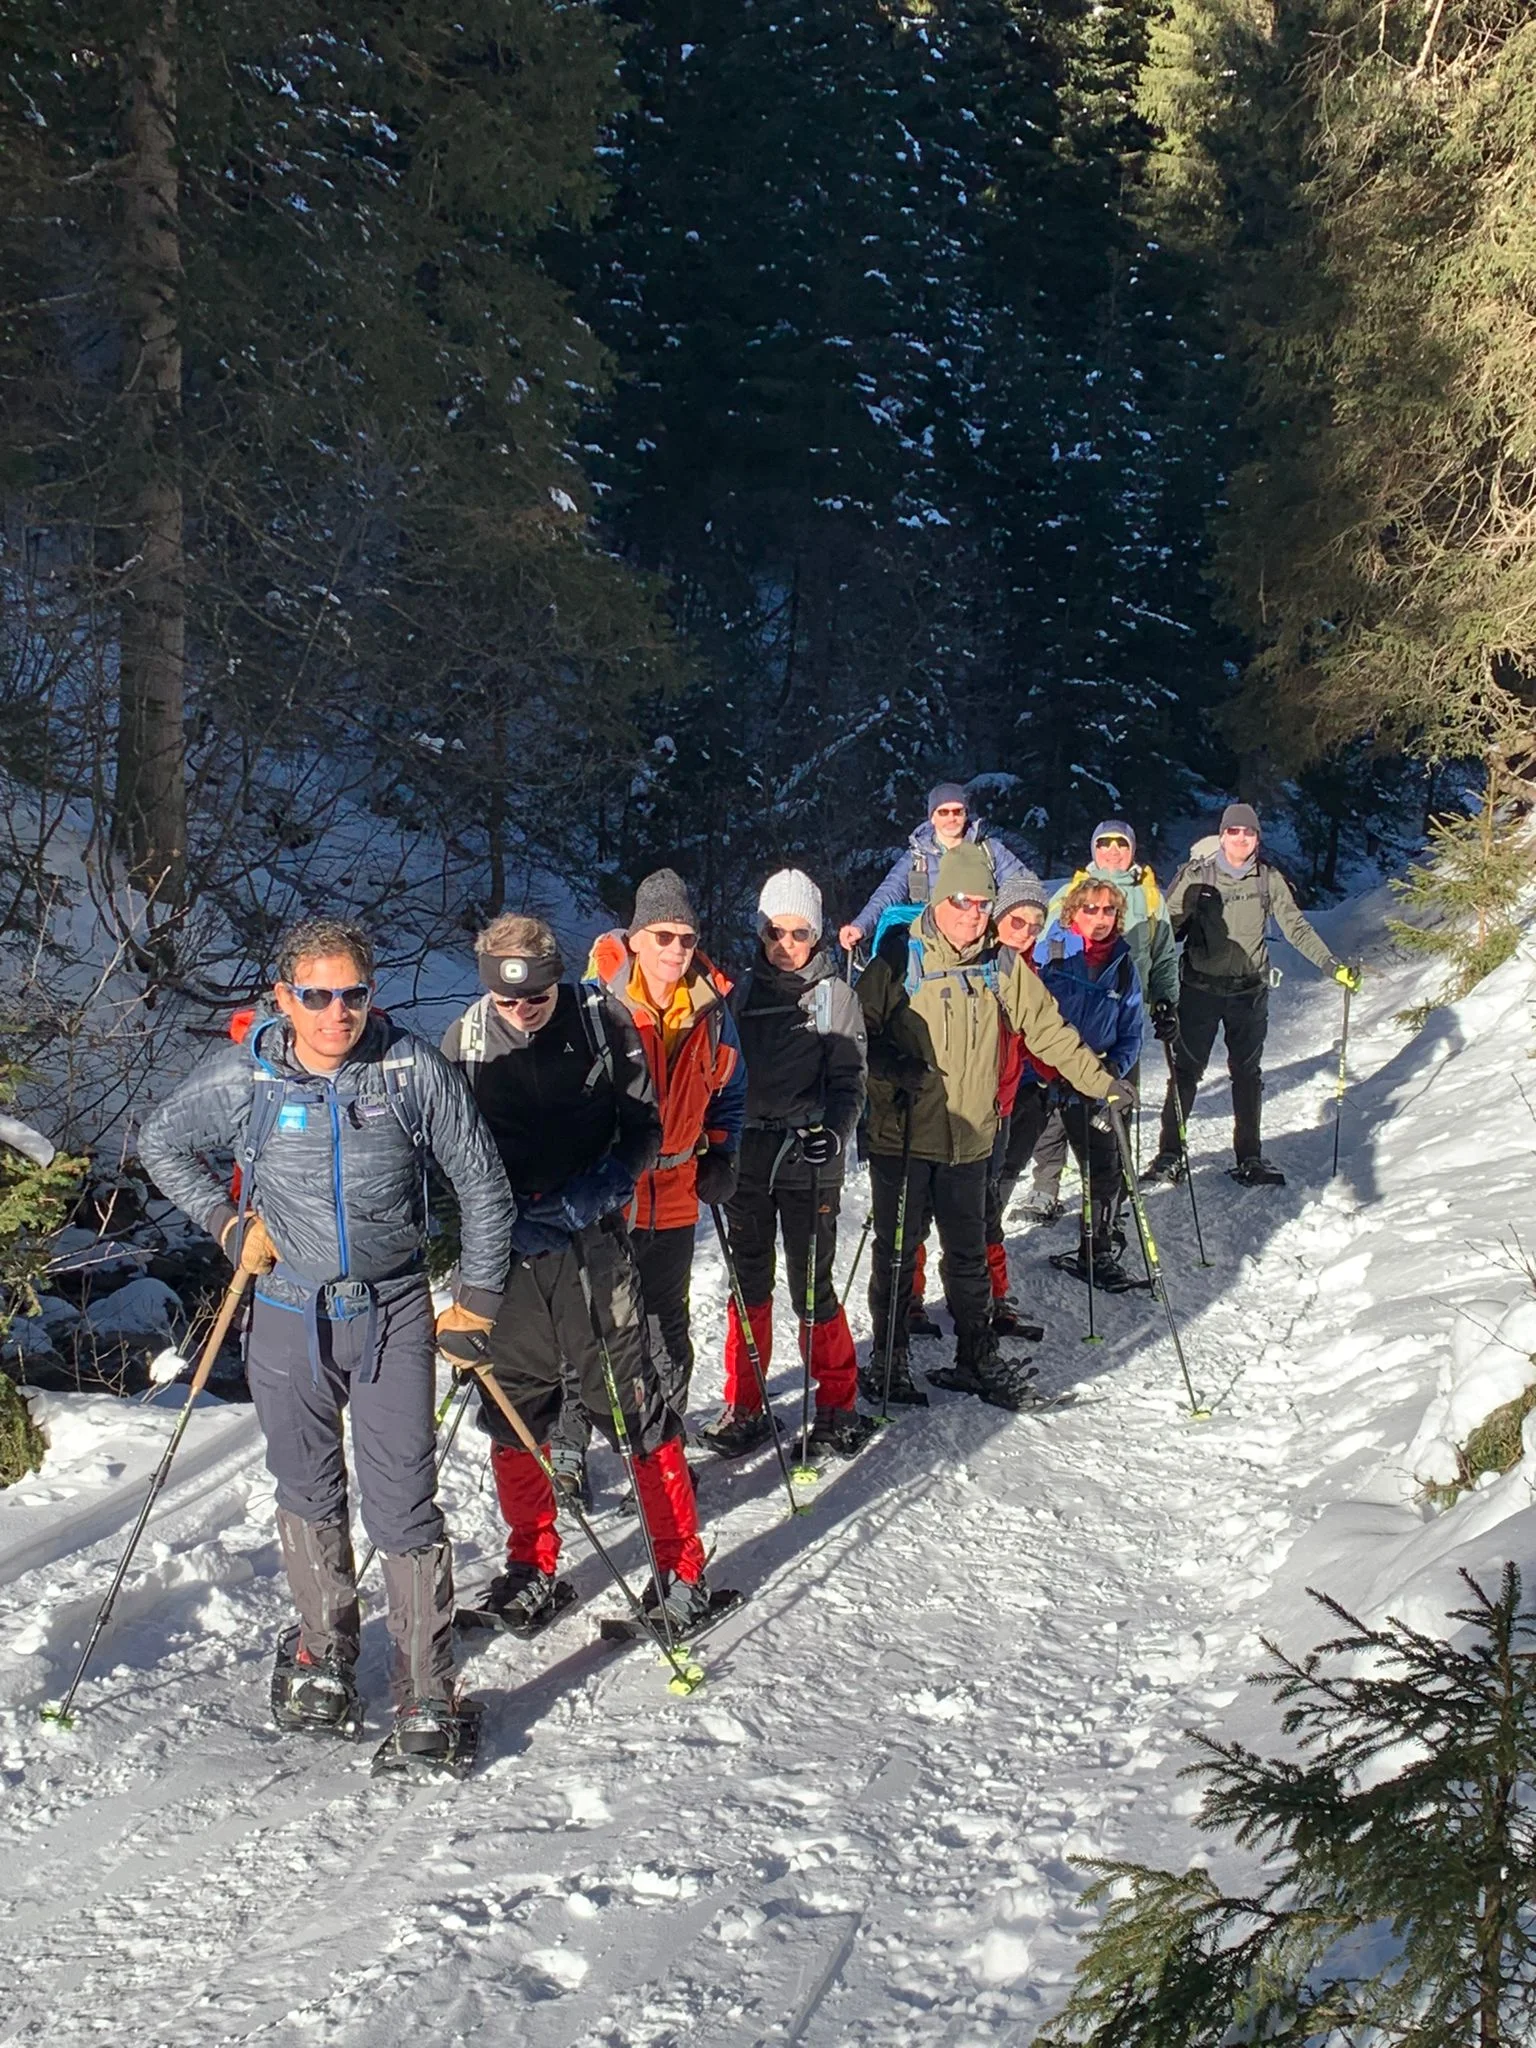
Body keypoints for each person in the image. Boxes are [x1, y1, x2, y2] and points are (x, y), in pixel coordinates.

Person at [140, 917, 515, 1771]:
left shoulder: (409, 1066)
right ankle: (324, 1654)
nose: (337, 1012)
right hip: (284, 1313)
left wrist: (479, 1300)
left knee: (403, 1503)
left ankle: (426, 1691)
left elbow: (482, 1183)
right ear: (285, 998)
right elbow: (161, 1140)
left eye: (352, 994)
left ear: (369, 996)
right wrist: (226, 1224)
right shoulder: (251, 1074)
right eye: (318, 995)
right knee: (306, 1488)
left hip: (391, 1312)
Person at [441, 913, 723, 1634]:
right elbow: (444, 1157)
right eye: (507, 1001)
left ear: (555, 979)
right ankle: (531, 1567)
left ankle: (681, 1568)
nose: (521, 1011)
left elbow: (643, 1128)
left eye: (534, 996)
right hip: (507, 1251)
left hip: (592, 1244)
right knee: (516, 1410)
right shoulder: (466, 1042)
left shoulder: (601, 1022)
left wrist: (599, 1190)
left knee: (627, 1402)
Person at [857, 843, 1132, 1409]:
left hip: (970, 1139)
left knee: (968, 1253)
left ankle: (976, 1357)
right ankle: (888, 1359)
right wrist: (888, 1066)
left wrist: (1100, 1081)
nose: (973, 914)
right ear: (939, 898)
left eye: (983, 903)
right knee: (897, 1250)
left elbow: (1049, 1031)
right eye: (962, 901)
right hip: (903, 1135)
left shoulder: (1001, 963)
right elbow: (854, 1037)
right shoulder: (897, 959)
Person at [701, 869, 869, 1460]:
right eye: (776, 932)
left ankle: (838, 1402)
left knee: (811, 1285)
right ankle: (745, 1404)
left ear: (818, 935)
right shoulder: (740, 994)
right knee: (748, 1283)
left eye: (799, 934)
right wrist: (713, 1140)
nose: (786, 945)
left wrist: (837, 1133)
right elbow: (718, 1072)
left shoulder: (834, 996)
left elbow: (850, 1081)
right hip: (749, 1155)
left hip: (807, 1155)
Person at [586, 869, 746, 1414]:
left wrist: (723, 1151)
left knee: (665, 1325)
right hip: (611, 1192)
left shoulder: (713, 1011)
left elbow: (731, 1088)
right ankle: (569, 1455)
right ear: (634, 938)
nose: (676, 949)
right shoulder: (597, 1008)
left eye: (687, 938)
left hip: (678, 1191)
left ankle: (664, 1442)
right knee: (594, 1323)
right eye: (663, 936)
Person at [1142, 803, 1360, 1189]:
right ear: (1222, 835)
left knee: (1246, 1075)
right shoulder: (1197, 876)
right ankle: (1170, 1155)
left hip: (1249, 993)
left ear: (1257, 838)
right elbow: (1164, 930)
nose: (1241, 839)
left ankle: (1250, 1156)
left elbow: (1295, 926)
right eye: (1233, 832)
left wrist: (1330, 965)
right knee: (1186, 1074)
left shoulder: (1267, 880)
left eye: (1249, 833)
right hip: (1199, 991)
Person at [905, 869, 1053, 1339]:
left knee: (985, 1208)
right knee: (927, 1209)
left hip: (1001, 1107)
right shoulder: (983, 963)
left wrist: (1064, 1076)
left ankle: (991, 1295)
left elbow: (1041, 1040)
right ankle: (911, 1297)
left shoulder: (1026, 972)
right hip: (951, 1110)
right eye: (1016, 921)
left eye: (1034, 926)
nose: (1025, 932)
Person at [1028, 820, 1177, 1219]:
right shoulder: (1068, 896)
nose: (1113, 850)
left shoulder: (1149, 896)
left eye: (1121, 843)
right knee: (1055, 1119)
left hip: (1119, 1014)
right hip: (1063, 1040)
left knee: (1113, 1115)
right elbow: (1040, 954)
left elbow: (1164, 954)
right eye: (1104, 843)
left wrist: (1166, 999)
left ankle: (1114, 1191)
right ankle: (1045, 1187)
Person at [1032, 879, 1146, 1289]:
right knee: (1007, 1164)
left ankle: (1095, 1251)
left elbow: (1132, 1031)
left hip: (1096, 1076)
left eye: (1109, 911)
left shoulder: (1123, 965)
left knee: (1104, 1165)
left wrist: (1114, 1068)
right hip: (1042, 1075)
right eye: (1090, 910)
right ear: (1072, 912)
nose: (1100, 919)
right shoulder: (1049, 953)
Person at [837, 783, 1025, 957]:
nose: (951, 818)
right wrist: (860, 926)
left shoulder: (990, 851)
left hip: (981, 944)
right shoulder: (917, 857)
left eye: (957, 811)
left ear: (966, 814)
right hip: (930, 948)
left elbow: (1023, 888)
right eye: (943, 812)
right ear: (932, 817)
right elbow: (889, 893)